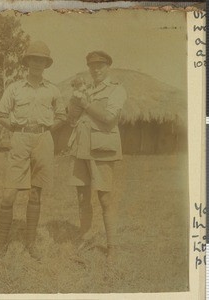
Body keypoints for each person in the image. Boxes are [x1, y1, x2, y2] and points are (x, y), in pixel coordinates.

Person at [0, 41, 66, 260]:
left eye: (41, 60)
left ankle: (31, 243)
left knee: (36, 193)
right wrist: (16, 128)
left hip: (43, 140)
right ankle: (0, 246)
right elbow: (0, 115)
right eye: (33, 59)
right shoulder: (14, 88)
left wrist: (45, 131)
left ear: (46, 64)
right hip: (20, 139)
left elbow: (62, 116)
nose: (37, 63)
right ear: (27, 62)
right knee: (9, 194)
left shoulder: (53, 90)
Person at [67, 51, 127, 263]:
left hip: (102, 149)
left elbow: (109, 118)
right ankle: (85, 238)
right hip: (81, 148)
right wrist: (75, 102)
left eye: (100, 65)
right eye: (92, 66)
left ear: (108, 67)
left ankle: (112, 246)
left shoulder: (116, 90)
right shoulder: (85, 89)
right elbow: (72, 118)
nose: (96, 69)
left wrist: (84, 104)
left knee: (105, 198)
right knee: (82, 197)